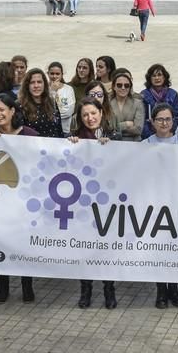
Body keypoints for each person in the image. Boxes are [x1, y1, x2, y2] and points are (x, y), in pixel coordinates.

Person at [68, 98, 121, 309]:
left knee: (105, 248)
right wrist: (70, 146)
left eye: (93, 113)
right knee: (85, 247)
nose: (90, 118)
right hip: (82, 204)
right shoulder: (75, 139)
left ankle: (109, 289)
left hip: (107, 203)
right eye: (85, 115)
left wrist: (112, 148)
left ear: (101, 112)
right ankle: (86, 289)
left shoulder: (113, 136)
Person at [0, 94, 39, 304]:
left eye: (2, 110)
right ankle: (3, 287)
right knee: (2, 242)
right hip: (1, 202)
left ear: (12, 111)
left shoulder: (30, 135)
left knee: (22, 243)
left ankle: (27, 285)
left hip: (25, 200)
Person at [141, 103, 178, 307]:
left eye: (168, 119)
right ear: (152, 122)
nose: (164, 123)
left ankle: (174, 289)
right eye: (160, 119)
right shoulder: (145, 144)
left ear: (173, 121)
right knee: (159, 248)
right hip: (155, 204)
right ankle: (161, 290)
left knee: (175, 247)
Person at [19, 68, 64, 138]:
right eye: (32, 82)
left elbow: (59, 130)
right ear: (27, 85)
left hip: (54, 147)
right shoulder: (20, 105)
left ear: (44, 84)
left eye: (39, 82)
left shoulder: (52, 102)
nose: (36, 86)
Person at [141, 64, 178, 139]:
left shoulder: (173, 94)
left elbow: (176, 116)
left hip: (168, 134)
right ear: (149, 78)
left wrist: (169, 132)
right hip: (149, 135)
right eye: (154, 76)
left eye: (159, 75)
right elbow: (142, 118)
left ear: (164, 77)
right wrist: (149, 136)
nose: (157, 78)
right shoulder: (144, 95)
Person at [110, 72, 144, 141]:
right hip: (113, 142)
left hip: (133, 142)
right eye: (119, 85)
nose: (123, 88)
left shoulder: (138, 103)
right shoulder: (108, 103)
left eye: (126, 85)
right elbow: (107, 128)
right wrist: (126, 124)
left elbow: (138, 130)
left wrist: (116, 128)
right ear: (114, 87)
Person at [47, 62, 76, 136]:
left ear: (62, 74)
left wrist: (52, 115)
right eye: (52, 73)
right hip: (48, 129)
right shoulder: (44, 89)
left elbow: (69, 111)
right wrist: (53, 91)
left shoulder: (69, 89)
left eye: (57, 74)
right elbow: (43, 109)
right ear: (48, 73)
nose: (54, 76)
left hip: (65, 130)